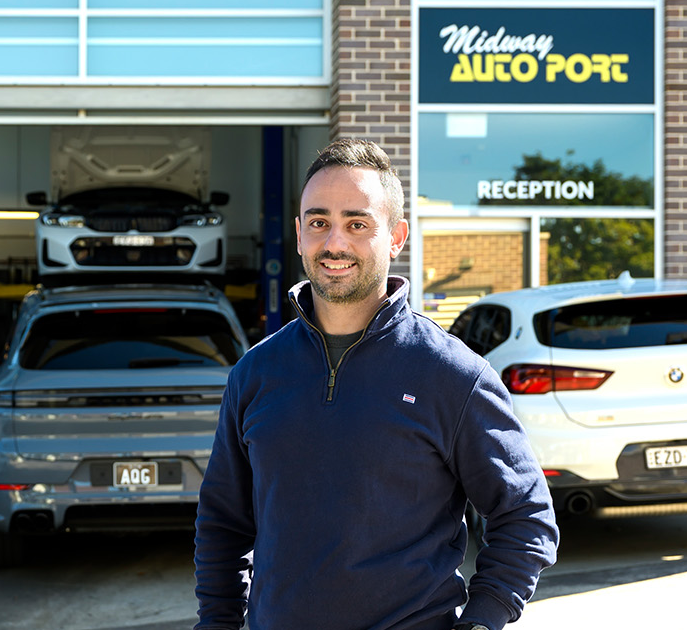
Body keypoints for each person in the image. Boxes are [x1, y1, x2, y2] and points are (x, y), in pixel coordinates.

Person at [193, 139, 558, 630]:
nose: (335, 243)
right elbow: (223, 524)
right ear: (300, 234)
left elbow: (526, 515)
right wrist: (216, 622)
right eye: (319, 222)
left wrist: (482, 619)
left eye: (357, 223)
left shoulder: (453, 376)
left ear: (396, 236)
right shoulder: (255, 374)